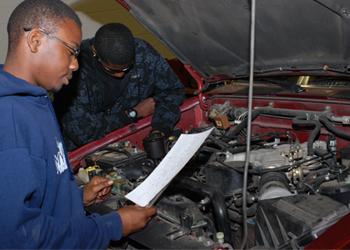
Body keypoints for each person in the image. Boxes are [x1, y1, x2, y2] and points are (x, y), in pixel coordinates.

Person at [0, 0, 156, 248]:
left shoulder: (35, 101)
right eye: (72, 51)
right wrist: (112, 226)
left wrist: (77, 198)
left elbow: (38, 193)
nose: (75, 64)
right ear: (36, 40)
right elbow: (20, 238)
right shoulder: (9, 122)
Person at [54, 23, 185, 151]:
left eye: (127, 68)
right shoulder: (74, 71)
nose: (121, 73)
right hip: (85, 153)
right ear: (95, 51)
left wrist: (160, 128)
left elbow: (173, 91)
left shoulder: (143, 52)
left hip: (135, 140)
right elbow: (83, 132)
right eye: (112, 70)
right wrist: (133, 113)